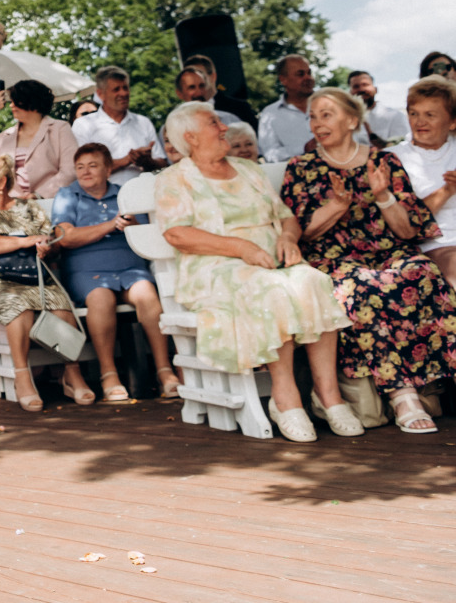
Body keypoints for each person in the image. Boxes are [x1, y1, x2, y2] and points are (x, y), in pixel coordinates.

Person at [154, 102, 357, 442]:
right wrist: (242, 248)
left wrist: (289, 238)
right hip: (216, 268)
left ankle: (328, 395)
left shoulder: (248, 169)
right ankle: (285, 397)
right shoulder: (174, 180)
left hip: (270, 262)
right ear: (190, 136)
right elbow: (178, 234)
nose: (223, 129)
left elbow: (285, 215)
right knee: (271, 290)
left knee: (313, 281)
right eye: (214, 123)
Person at [280, 87, 456, 435]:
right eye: (312, 116)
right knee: (361, 287)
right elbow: (299, 232)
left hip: (390, 252)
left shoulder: (384, 161)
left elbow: (408, 232)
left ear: (351, 120)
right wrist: (336, 206)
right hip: (334, 259)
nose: (317, 123)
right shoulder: (301, 167)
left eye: (326, 114)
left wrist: (383, 196)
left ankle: (446, 385)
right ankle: (402, 394)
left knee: (422, 272)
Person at [0, 153, 96, 411]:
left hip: (35, 279)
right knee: (18, 303)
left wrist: (45, 248)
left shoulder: (29, 207)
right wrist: (24, 241)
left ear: (1, 182)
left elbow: (51, 242)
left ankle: (72, 372)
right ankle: (23, 376)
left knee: (60, 303)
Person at [52, 143, 181, 400]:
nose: (85, 172)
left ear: (108, 169)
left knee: (147, 294)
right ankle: (108, 373)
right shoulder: (68, 195)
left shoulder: (125, 194)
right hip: (87, 272)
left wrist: (131, 223)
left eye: (93, 165)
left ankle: (164, 370)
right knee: (101, 298)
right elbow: (65, 237)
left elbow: (146, 234)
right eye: (80, 167)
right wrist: (111, 224)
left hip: (130, 268)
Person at [397, 76, 456, 287]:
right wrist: (448, 190)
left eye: (430, 115)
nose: (419, 122)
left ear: (452, 121)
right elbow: (407, 225)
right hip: (437, 244)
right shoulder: (393, 158)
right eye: (414, 113)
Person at [71, 66, 166, 187]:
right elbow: (80, 170)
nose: (124, 93)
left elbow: (162, 164)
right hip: (102, 200)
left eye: (125, 88)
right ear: (101, 94)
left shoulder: (143, 122)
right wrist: (126, 160)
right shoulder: (83, 125)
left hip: (145, 196)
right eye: (116, 89)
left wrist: (147, 161)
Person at [0, 79, 77, 199]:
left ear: (33, 103)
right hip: (11, 207)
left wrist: (39, 195)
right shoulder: (3, 137)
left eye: (17, 101)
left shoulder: (60, 128)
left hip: (51, 203)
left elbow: (70, 170)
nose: (11, 105)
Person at [257, 54, 317, 163]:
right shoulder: (270, 114)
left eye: (309, 73)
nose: (307, 78)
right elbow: (270, 155)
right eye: (300, 74)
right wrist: (303, 149)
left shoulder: (331, 104)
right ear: (283, 79)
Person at [182, 53, 258, 127]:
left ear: (213, 77)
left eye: (200, 76)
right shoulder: (183, 116)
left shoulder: (239, 108)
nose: (195, 81)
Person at [348, 70, 410, 146]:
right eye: (356, 86)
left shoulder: (396, 116)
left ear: (376, 90)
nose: (361, 90)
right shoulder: (343, 119)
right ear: (350, 93)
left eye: (365, 85)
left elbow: (404, 145)